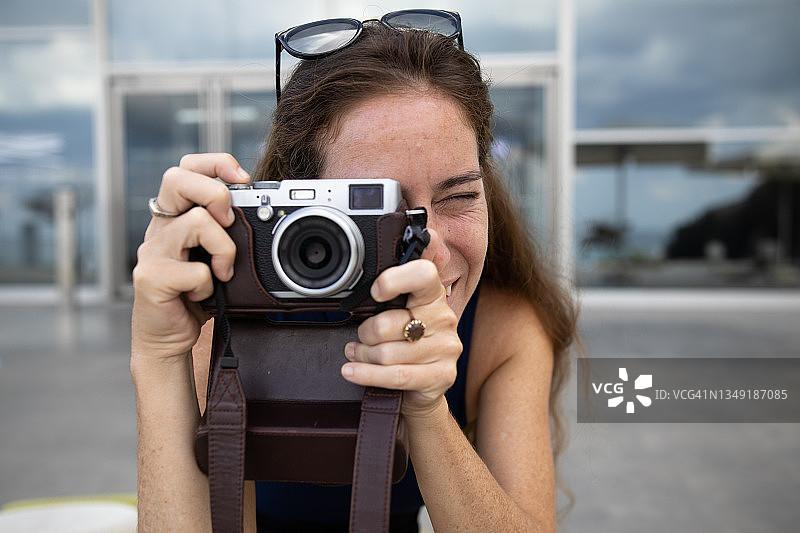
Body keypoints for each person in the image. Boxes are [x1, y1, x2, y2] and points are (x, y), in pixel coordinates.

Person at [131, 10, 578, 532]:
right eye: (375, 209)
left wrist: (427, 406)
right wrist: (158, 357)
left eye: (458, 196)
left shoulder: (503, 328)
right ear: (301, 205)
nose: (428, 254)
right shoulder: (230, 317)